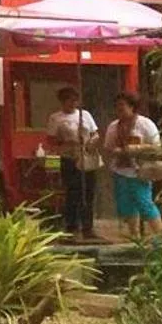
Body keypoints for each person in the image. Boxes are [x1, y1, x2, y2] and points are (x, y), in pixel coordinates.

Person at [103, 92, 162, 241]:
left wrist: (137, 149)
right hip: (120, 169)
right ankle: (134, 236)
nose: (119, 110)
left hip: (139, 170)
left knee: (144, 202)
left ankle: (161, 235)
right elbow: (107, 147)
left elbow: (156, 146)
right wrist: (116, 151)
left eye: (122, 106)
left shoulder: (145, 124)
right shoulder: (113, 126)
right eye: (117, 107)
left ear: (132, 107)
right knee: (126, 204)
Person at [45, 84, 100, 239]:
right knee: (72, 192)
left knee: (88, 192)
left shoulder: (85, 115)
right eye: (69, 100)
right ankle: (71, 225)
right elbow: (51, 140)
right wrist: (66, 144)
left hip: (86, 156)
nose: (73, 103)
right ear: (63, 101)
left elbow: (95, 133)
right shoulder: (56, 118)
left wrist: (91, 142)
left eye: (75, 100)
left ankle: (88, 227)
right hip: (69, 158)